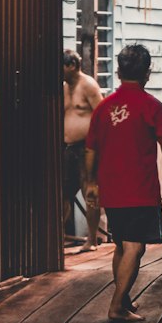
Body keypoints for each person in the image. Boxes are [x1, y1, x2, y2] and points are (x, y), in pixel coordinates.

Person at [84, 43, 162, 322]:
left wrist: (91, 183)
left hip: (112, 189)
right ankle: (117, 306)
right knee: (135, 247)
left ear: (118, 71)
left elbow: (90, 149)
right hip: (140, 189)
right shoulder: (151, 106)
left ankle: (124, 298)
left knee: (121, 245)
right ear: (147, 73)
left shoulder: (103, 108)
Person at [63, 49, 104, 251]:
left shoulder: (88, 85)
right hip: (68, 148)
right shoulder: (63, 88)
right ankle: (60, 237)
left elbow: (101, 114)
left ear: (71, 65)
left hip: (86, 148)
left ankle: (92, 239)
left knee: (90, 191)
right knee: (62, 193)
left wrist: (97, 147)